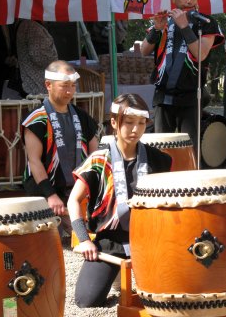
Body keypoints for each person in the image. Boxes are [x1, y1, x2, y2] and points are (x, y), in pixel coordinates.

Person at [67, 93, 172, 307]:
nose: (135, 129)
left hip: (149, 240)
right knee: (86, 300)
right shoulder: (98, 160)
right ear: (114, 122)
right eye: (129, 123)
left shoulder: (159, 159)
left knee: (170, 296)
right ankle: (114, 275)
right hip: (110, 242)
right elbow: (73, 201)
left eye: (141, 123)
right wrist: (84, 238)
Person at [140, 0, 224, 151]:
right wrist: (157, 28)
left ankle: (191, 177)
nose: (189, 0)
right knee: (162, 147)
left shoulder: (206, 22)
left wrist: (185, 26)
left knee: (189, 148)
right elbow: (144, 50)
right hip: (163, 95)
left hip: (191, 93)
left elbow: (200, 54)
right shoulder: (165, 21)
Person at [22, 60, 99, 234]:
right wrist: (50, 195)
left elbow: (95, 156)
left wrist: (92, 188)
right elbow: (34, 161)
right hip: (45, 190)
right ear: (48, 85)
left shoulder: (82, 116)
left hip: (77, 190)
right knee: (48, 235)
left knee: (88, 232)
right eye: (64, 86)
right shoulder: (36, 119)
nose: (70, 91)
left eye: (73, 86)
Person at [16, 19, 58, 95]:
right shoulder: (32, 27)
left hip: (32, 82)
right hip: (37, 85)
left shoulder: (27, 25)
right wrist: (55, 58)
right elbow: (40, 58)